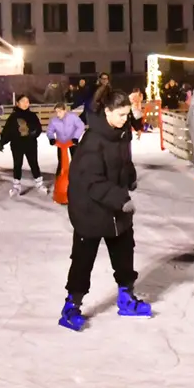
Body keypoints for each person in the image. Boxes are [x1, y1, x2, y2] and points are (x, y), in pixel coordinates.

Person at [59, 88, 151, 330]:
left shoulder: (119, 133)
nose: (124, 119)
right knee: (83, 260)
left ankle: (126, 298)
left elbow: (123, 162)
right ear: (107, 112)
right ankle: (71, 306)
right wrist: (121, 199)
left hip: (114, 207)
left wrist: (129, 178)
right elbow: (93, 181)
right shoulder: (92, 142)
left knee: (124, 253)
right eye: (120, 114)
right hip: (89, 208)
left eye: (126, 114)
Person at [0, 94, 48, 197]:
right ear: (17, 103)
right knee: (17, 164)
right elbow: (7, 131)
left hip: (30, 143)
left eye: (27, 101)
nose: (26, 103)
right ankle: (16, 186)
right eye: (23, 101)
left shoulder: (32, 116)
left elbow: (38, 128)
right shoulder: (13, 117)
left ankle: (39, 183)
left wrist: (33, 133)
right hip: (17, 144)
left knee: (33, 163)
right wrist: (2, 142)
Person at [46, 102, 85, 174]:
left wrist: (76, 137)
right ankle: (60, 178)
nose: (58, 114)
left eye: (60, 112)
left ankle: (78, 176)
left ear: (65, 111)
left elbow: (81, 126)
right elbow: (49, 130)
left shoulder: (73, 117)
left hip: (72, 142)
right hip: (61, 144)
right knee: (61, 162)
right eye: (56, 112)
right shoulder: (54, 121)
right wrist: (51, 138)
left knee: (76, 160)